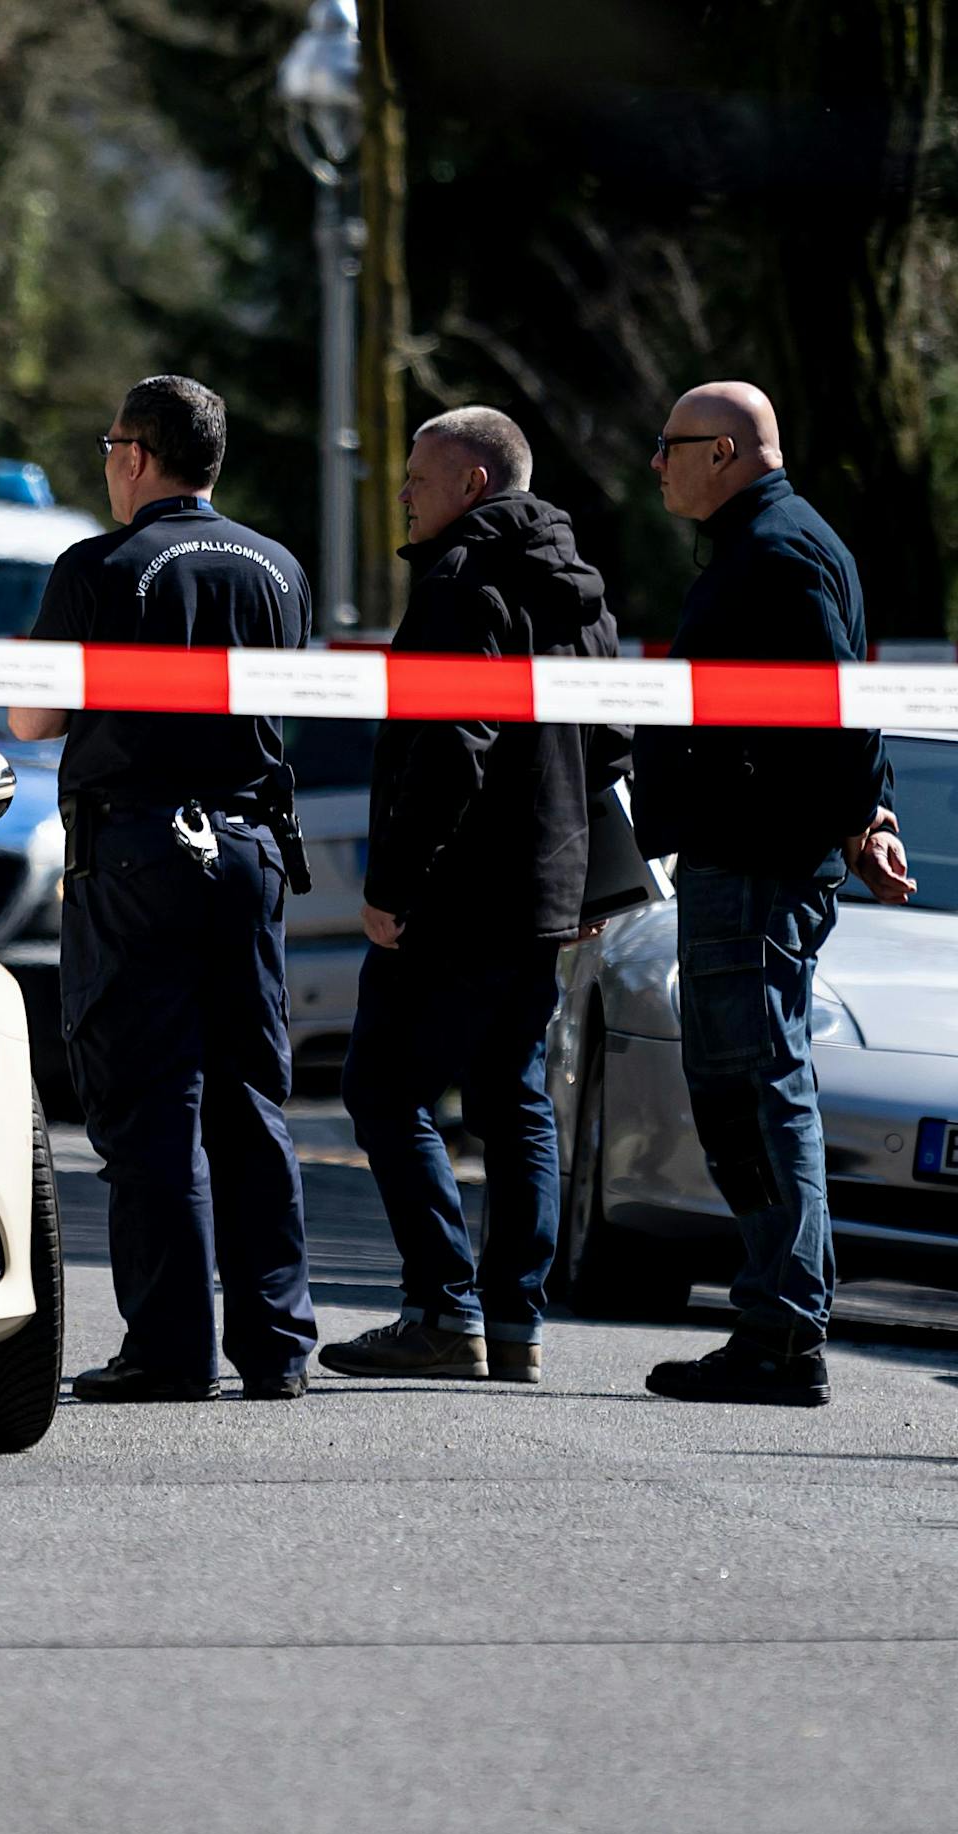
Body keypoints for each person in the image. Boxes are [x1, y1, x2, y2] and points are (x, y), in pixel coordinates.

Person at [7, 374, 318, 1402]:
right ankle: (276, 1347)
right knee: (248, 1102)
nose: (105, 464)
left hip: (137, 849)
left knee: (152, 1105)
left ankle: (169, 1350)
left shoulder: (99, 566)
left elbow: (33, 721)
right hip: (247, 851)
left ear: (137, 455)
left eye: (107, 446)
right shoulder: (278, 568)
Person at [316, 407, 623, 1387]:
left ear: (472, 485)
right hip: (542, 891)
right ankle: (514, 1325)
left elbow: (453, 739)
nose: (401, 492)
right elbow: (616, 740)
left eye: (416, 476)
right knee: (513, 1099)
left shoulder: (461, 580)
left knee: (380, 1086)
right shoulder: (578, 589)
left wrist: (391, 883)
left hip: (456, 890)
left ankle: (445, 1311)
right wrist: (583, 875)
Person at [631, 380, 913, 1408]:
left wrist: (861, 817)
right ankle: (773, 1321)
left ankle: (781, 1330)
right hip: (743, 856)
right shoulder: (771, 540)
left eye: (668, 445)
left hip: (753, 865)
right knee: (742, 1091)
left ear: (726, 451)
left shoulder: (778, 550)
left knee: (756, 1092)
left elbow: (837, 707)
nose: (653, 463)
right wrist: (866, 819)